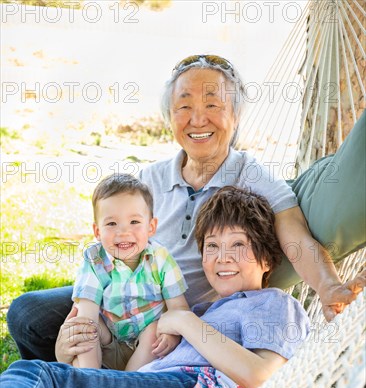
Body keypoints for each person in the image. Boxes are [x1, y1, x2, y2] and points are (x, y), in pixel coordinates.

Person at [6, 54, 365, 363]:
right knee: (29, 313)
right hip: (124, 301)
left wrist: (329, 287)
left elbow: (294, 234)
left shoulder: (251, 175)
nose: (198, 119)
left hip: (189, 315)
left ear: (235, 116)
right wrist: (87, 304)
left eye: (213, 105)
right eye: (184, 107)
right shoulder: (150, 178)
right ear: (170, 117)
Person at [0, 187, 310, 388]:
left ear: (267, 257)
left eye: (238, 245)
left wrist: (184, 322)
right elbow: (134, 374)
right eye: (212, 246)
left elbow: (265, 379)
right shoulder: (206, 310)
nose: (222, 258)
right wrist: (67, 356)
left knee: (38, 378)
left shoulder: (274, 304)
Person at [71, 173, 188, 371]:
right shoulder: (94, 260)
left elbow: (179, 308)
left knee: (155, 329)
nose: (123, 232)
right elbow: (88, 313)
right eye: (111, 224)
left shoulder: (160, 259)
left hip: (148, 349)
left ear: (151, 227)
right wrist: (86, 330)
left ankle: (127, 384)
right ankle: (91, 379)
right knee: (84, 324)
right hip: (109, 341)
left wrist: (172, 333)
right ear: (97, 231)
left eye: (134, 222)